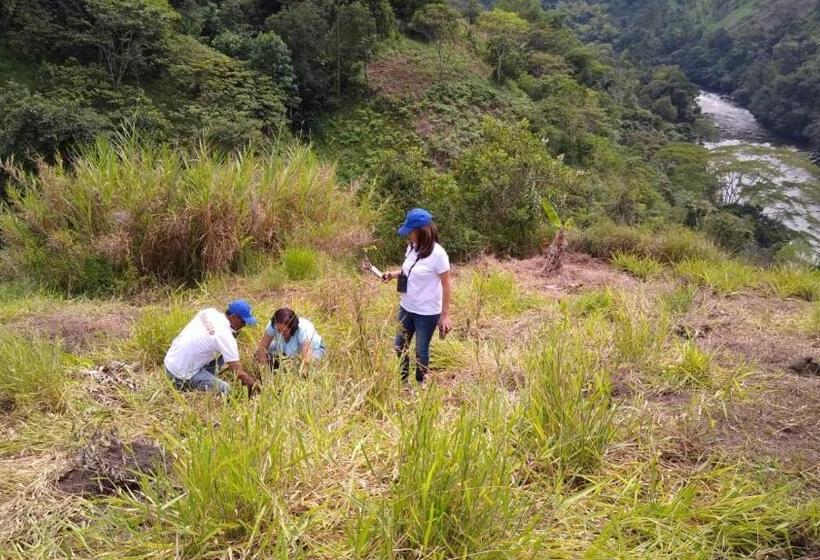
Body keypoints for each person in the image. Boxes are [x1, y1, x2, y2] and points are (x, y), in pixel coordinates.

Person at [381, 208, 452, 384]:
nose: (408, 236)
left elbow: (446, 285)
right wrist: (393, 275)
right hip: (406, 308)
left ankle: (421, 383)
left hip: (426, 313)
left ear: (421, 232)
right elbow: (409, 271)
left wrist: (445, 315)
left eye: (410, 232)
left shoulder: (439, 254)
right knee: (400, 346)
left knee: (421, 351)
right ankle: (404, 384)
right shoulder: (412, 248)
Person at [164, 299, 260, 395]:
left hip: (169, 363)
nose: (244, 325)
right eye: (243, 322)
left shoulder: (209, 312)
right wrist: (256, 387)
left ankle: (206, 375)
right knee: (227, 390)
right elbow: (239, 374)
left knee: (225, 353)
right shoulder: (225, 337)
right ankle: (196, 381)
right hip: (179, 377)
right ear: (234, 317)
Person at [254, 307, 325, 369]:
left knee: (311, 366)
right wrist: (265, 370)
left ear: (292, 327)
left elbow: (306, 359)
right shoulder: (273, 325)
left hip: (312, 349)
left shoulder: (304, 329)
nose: (281, 334)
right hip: (284, 347)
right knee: (258, 354)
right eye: (278, 330)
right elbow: (262, 348)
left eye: (284, 331)